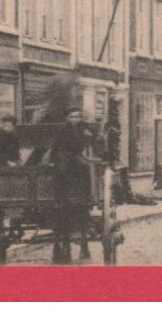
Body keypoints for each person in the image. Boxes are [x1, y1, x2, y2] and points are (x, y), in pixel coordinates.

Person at [51, 106, 93, 264]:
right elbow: (56, 147)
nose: (75, 119)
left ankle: (86, 194)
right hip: (64, 158)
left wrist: (87, 137)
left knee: (84, 167)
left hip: (75, 158)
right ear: (67, 118)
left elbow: (84, 144)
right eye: (72, 117)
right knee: (62, 170)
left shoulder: (83, 130)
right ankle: (60, 193)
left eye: (77, 117)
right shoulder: (62, 131)